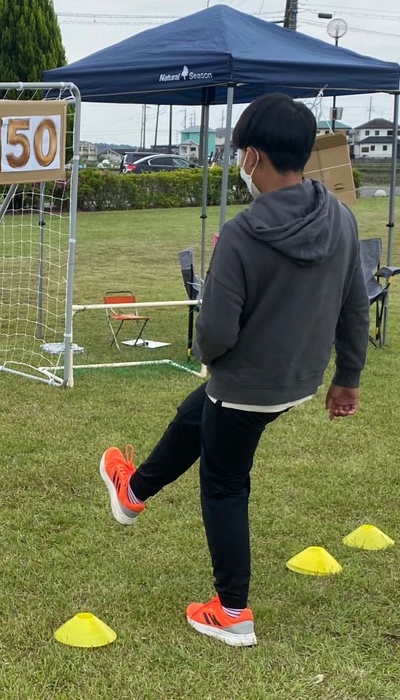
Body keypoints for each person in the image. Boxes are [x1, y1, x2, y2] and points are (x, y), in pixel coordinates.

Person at [99, 93, 369, 647]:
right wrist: (348, 378)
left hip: (246, 384)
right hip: (297, 381)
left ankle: (231, 610)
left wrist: (212, 359)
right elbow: (354, 303)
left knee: (223, 484)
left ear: (254, 157)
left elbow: (216, 330)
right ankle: (133, 491)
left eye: (240, 151)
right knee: (193, 416)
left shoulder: (244, 232)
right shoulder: (340, 215)